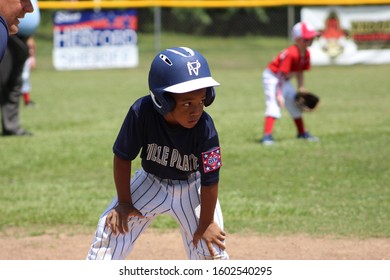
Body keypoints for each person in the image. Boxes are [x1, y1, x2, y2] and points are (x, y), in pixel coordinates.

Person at [86, 47, 229, 260]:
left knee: (212, 248)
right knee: (110, 229)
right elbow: (123, 157)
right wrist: (124, 202)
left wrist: (206, 222)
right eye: (187, 103)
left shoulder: (206, 128)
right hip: (151, 181)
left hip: (194, 187)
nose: (196, 110)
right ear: (163, 100)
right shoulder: (141, 112)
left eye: (201, 101)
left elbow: (210, 180)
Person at [260, 22, 320, 145]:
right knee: (274, 104)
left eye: (312, 38)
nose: (310, 41)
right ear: (297, 40)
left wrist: (301, 87)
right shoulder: (291, 53)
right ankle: (267, 136)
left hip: (283, 79)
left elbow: (300, 71)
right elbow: (280, 76)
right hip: (273, 78)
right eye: (307, 39)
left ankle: (302, 132)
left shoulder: (306, 53)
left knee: (294, 103)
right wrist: (279, 95)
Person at [0, 0, 38, 135]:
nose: (30, 9)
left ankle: (11, 125)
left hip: (21, 36)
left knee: (15, 83)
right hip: (13, 37)